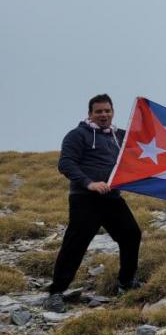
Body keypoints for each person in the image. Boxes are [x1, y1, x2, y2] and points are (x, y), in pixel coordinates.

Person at [44, 94, 142, 312]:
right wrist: (89, 183)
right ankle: (56, 293)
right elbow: (66, 164)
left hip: (112, 198)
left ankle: (125, 283)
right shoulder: (77, 135)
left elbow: (144, 143)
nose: (104, 115)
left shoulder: (119, 136)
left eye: (107, 111)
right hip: (85, 199)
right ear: (90, 114)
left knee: (131, 234)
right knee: (75, 244)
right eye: (99, 111)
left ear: (113, 112)